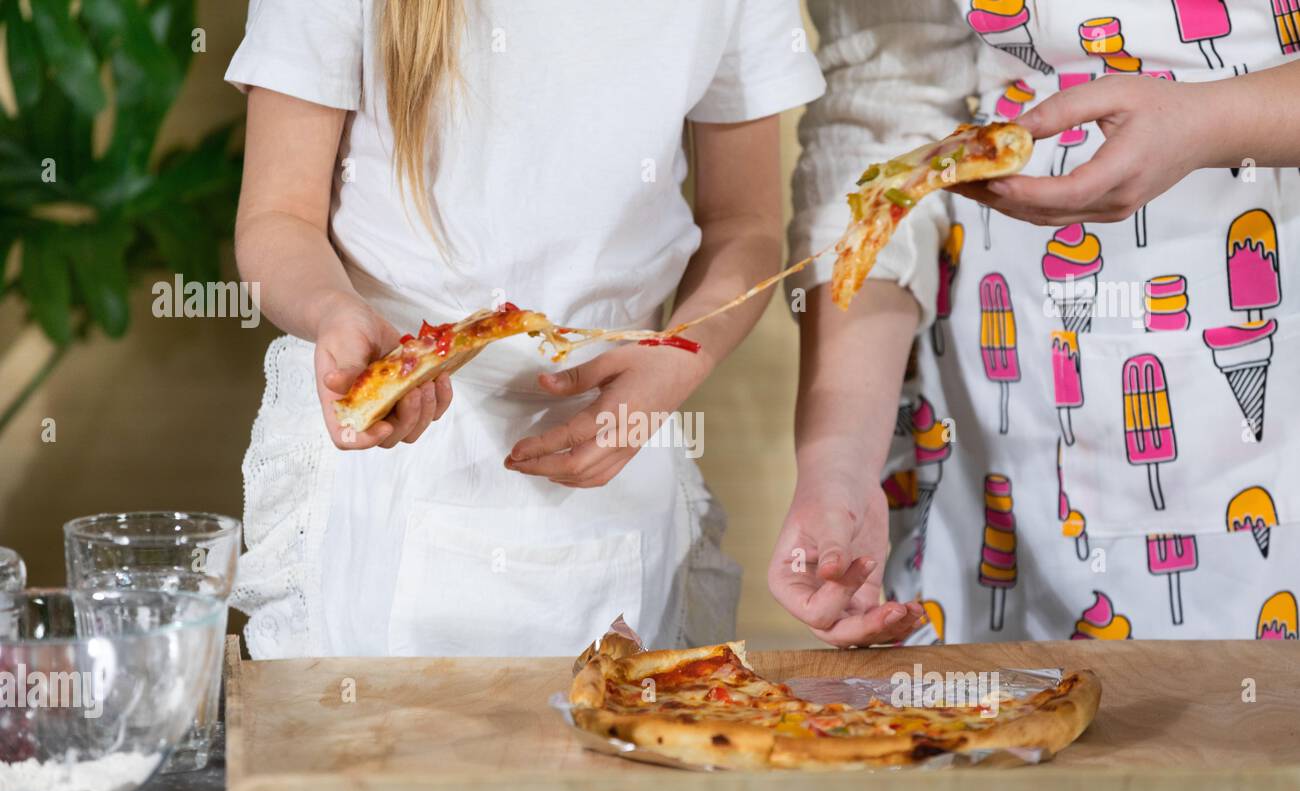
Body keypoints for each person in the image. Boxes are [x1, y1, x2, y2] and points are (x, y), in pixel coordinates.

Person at [225, 0, 825, 657]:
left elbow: (746, 223)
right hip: (383, 469)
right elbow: (278, 213)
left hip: (621, 451)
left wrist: (684, 354)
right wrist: (332, 311)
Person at [773, 0, 1300, 645]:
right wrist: (840, 464)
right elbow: (886, 106)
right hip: (987, 385)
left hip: (1268, 339)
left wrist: (1215, 121)